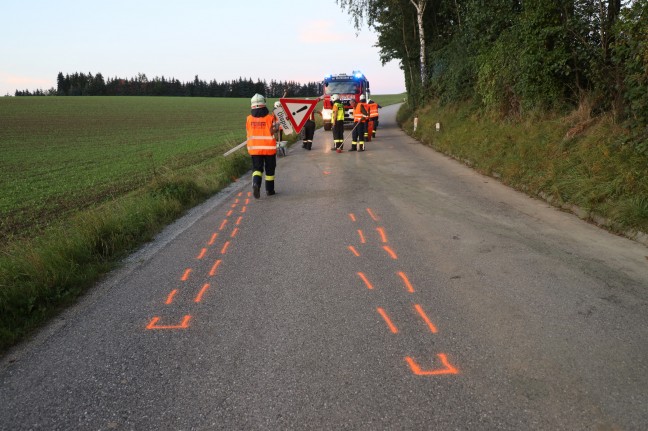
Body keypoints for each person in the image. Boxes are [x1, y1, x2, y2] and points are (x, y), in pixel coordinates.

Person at [246, 93, 278, 198]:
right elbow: (274, 130)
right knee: (269, 170)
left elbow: (248, 131)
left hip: (255, 149)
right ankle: (270, 190)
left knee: (257, 169)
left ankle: (256, 184)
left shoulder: (249, 119)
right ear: (264, 103)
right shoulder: (270, 118)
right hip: (269, 149)